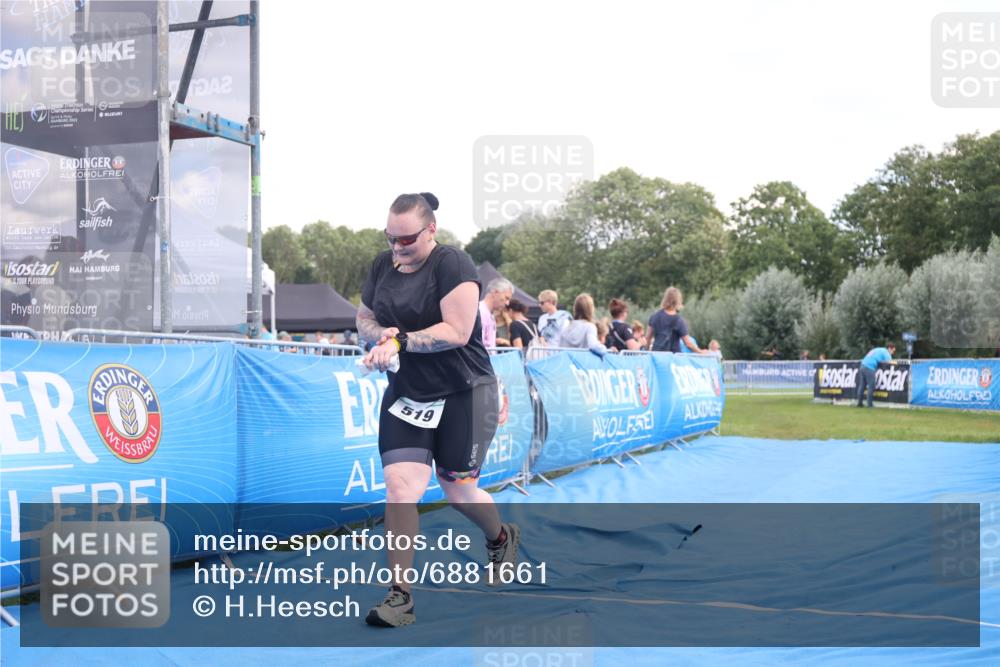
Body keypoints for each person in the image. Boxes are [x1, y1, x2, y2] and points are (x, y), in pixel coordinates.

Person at [356, 192, 520, 628]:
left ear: (431, 229)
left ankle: (500, 536)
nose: (397, 248)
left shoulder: (453, 264)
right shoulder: (381, 266)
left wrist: (400, 341)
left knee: (458, 492)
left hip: (464, 391)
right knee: (400, 488)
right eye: (390, 238)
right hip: (408, 394)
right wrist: (379, 334)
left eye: (406, 239)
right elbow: (363, 318)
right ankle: (400, 596)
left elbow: (458, 331)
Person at [647, 287, 704, 353]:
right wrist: (701, 352)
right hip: (673, 356)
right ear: (678, 301)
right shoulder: (679, 321)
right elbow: (688, 344)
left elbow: (648, 338)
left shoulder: (654, 316)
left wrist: (647, 350)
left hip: (657, 355)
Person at [857, 342, 896, 408]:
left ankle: (859, 403)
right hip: (869, 367)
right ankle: (870, 405)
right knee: (871, 385)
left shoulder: (878, 349)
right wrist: (896, 363)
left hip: (862, 365)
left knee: (862, 386)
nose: (893, 353)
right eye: (893, 351)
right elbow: (890, 361)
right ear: (889, 348)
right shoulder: (885, 352)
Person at [479, 277, 513, 348]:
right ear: (495, 292)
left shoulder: (487, 313)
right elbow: (479, 344)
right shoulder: (480, 312)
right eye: (506, 298)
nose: (507, 303)